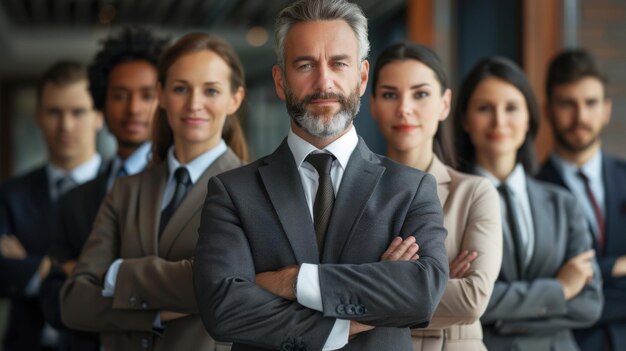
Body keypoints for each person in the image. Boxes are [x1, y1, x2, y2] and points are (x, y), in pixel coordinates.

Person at [193, 1, 448, 350]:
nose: (323, 81)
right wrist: (363, 308)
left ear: (360, 78)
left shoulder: (411, 188)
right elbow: (224, 309)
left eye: (338, 63)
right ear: (281, 81)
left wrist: (295, 281)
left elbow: (420, 294)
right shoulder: (233, 191)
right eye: (305, 64)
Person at [59, 32, 247, 350]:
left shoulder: (251, 191)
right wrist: (154, 315)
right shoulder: (126, 190)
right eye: (180, 88)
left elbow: (223, 285)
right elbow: (74, 303)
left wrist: (119, 273)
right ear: (161, 94)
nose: (194, 104)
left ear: (235, 99)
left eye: (211, 90)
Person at [452, 57, 603, 350]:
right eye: (485, 109)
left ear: (529, 118)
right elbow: (458, 300)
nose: (499, 121)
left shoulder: (563, 203)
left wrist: (502, 314)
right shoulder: (449, 202)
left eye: (511, 108)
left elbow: (589, 303)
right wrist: (560, 289)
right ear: (465, 120)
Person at [38, 27, 168, 350]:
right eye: (120, 95)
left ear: (165, 99)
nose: (134, 109)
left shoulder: (180, 185)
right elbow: (54, 302)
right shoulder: (75, 199)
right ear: (101, 101)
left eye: (147, 95)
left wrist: (87, 279)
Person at [369, 42, 502, 350]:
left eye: (421, 94)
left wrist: (377, 284)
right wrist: (433, 280)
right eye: (390, 94)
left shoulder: (473, 193)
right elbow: (337, 293)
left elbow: (471, 299)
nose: (404, 108)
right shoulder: (350, 192)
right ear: (373, 103)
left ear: (445, 104)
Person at [0, 61, 104, 350]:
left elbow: (124, 275)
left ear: (99, 116)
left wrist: (33, 266)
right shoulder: (11, 193)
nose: (66, 125)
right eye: (54, 112)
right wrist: (75, 268)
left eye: (78, 112)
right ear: (38, 116)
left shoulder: (122, 188)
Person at [537, 49, 626, 351]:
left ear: (607, 109)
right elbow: (541, 284)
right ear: (548, 110)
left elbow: (563, 289)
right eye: (567, 104)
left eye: (591, 103)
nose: (581, 117)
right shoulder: (531, 190)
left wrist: (577, 285)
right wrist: (617, 266)